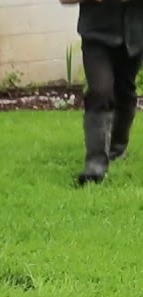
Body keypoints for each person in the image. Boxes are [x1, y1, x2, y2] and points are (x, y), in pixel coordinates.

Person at [68, 0, 143, 185]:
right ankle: (95, 165)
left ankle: (117, 149)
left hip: (133, 34)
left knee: (125, 92)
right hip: (96, 34)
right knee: (100, 92)